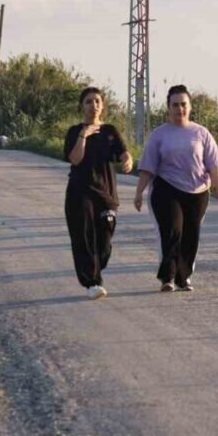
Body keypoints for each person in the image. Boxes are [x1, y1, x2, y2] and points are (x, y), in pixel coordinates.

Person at [134, 84, 218, 292]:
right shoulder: (159, 135)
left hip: (198, 192)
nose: (179, 109)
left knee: (191, 234)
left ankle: (183, 278)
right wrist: (139, 192)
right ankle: (167, 277)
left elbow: (213, 164)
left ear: (190, 106)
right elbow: (148, 166)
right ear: (168, 108)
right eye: (175, 105)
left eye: (183, 104)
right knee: (172, 230)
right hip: (167, 189)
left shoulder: (201, 133)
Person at [64, 87, 133, 300]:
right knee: (84, 237)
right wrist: (84, 135)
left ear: (102, 105)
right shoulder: (75, 131)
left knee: (104, 241)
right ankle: (92, 283)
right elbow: (75, 159)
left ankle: (94, 267)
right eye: (88, 102)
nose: (93, 105)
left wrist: (127, 160)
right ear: (81, 106)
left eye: (96, 101)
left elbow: (123, 153)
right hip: (79, 192)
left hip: (106, 194)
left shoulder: (110, 131)